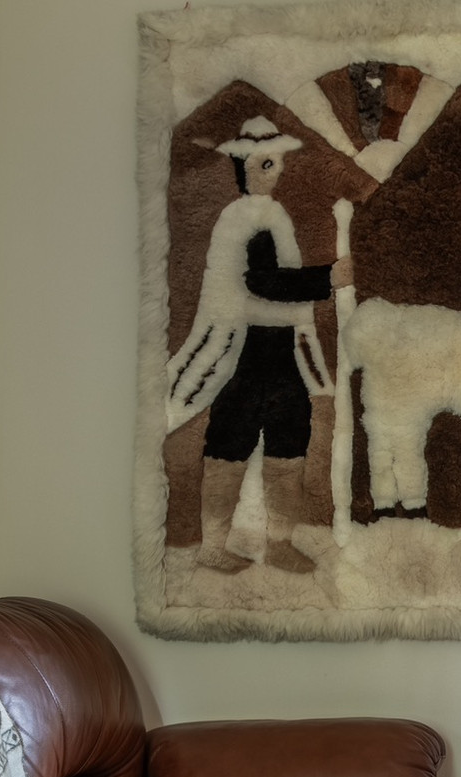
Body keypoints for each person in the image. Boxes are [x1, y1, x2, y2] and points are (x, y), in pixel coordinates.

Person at [166, 116, 353, 574]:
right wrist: (329, 278)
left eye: (276, 163)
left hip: (282, 347)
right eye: (266, 164)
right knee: (231, 442)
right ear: (243, 167)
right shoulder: (245, 218)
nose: (276, 171)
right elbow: (263, 282)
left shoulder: (272, 214)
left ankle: (280, 542)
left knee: (289, 442)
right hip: (246, 351)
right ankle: (213, 545)